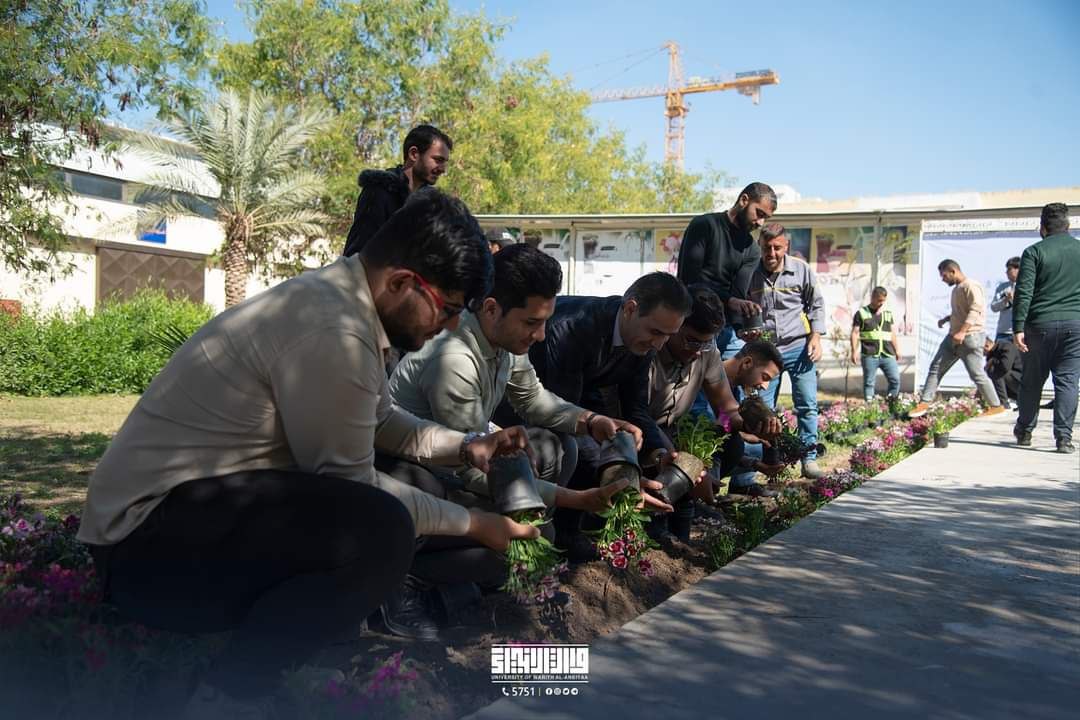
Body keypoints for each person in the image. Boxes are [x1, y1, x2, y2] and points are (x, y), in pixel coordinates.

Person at [77, 189, 541, 716]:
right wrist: (476, 523)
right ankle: (231, 697)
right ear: (401, 283)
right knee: (379, 531)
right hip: (143, 552)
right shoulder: (334, 329)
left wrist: (468, 446)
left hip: (178, 525)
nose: (451, 326)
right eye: (449, 309)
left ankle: (278, 663)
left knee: (401, 511)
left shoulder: (344, 303)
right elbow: (354, 489)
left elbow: (382, 421)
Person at [384, 244, 642, 634]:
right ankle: (405, 580)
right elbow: (471, 470)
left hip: (455, 463)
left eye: (545, 321)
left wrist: (591, 420)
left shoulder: (503, 340)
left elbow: (534, 399)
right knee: (525, 545)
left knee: (561, 453)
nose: (541, 335)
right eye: (532, 323)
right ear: (491, 309)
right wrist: (572, 498)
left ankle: (468, 573)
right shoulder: (454, 360)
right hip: (413, 481)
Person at [521, 272, 693, 560]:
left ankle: (569, 530)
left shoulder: (643, 339)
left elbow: (636, 409)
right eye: (656, 332)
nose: (659, 345)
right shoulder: (573, 328)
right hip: (528, 399)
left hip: (574, 394)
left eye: (668, 335)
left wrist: (660, 454)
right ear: (630, 309)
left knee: (612, 441)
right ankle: (554, 532)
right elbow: (563, 411)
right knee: (574, 449)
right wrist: (619, 472)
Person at [647, 286, 782, 537]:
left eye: (706, 342)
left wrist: (752, 426)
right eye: (692, 340)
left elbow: (726, 412)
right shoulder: (650, 350)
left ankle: (681, 509)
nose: (698, 350)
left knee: (731, 443)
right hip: (647, 436)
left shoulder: (707, 353)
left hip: (673, 438)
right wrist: (691, 468)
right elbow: (706, 423)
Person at [745, 223, 827, 479]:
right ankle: (769, 462)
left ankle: (808, 458)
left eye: (777, 248)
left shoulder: (801, 270)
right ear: (760, 246)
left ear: (786, 246)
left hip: (798, 348)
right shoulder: (750, 273)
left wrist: (816, 337)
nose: (771, 253)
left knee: (807, 405)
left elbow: (816, 305)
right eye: (767, 247)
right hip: (766, 353)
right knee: (762, 409)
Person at [677, 181, 778, 354]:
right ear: (744, 200)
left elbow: (738, 294)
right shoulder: (705, 225)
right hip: (690, 323)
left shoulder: (752, 250)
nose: (761, 223)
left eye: (766, 218)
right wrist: (730, 301)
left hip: (725, 330)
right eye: (759, 213)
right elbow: (689, 280)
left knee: (751, 364)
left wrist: (743, 328)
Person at [1012, 203, 1080, 453]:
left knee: (1031, 381)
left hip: (1039, 325)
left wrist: (1018, 327)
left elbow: (1024, 292)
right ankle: (1063, 438)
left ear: (1042, 228)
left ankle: (1024, 431)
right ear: (1068, 225)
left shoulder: (1033, 252)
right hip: (1075, 325)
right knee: (1068, 382)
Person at [910, 260, 1004, 417]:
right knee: (936, 367)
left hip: (970, 337)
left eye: (944, 275)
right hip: (953, 337)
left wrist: (962, 332)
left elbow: (975, 310)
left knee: (976, 373)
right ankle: (924, 403)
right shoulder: (957, 289)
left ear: (953, 271)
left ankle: (996, 406)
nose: (942, 279)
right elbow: (962, 311)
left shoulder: (971, 286)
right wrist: (948, 319)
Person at [341, 124, 452, 257]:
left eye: (445, 162)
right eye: (438, 160)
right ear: (414, 154)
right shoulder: (379, 192)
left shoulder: (432, 205)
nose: (443, 169)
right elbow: (358, 253)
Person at [723, 340, 789, 496]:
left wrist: (758, 465)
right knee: (736, 444)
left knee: (754, 446)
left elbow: (723, 422)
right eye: (764, 377)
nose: (764, 386)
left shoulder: (736, 390)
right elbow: (707, 427)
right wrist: (742, 432)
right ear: (747, 363)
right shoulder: (709, 378)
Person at [850, 286, 902, 402]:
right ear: (872, 298)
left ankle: (891, 404)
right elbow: (855, 333)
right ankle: (871, 408)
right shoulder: (861, 313)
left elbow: (892, 333)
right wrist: (854, 351)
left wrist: (897, 350)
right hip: (869, 354)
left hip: (887, 354)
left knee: (895, 380)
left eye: (883, 300)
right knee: (869, 383)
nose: (881, 303)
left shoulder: (887, 313)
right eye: (879, 300)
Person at [988, 257, 1022, 409]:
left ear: (1018, 269)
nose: (1007, 272)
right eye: (1007, 270)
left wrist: (1016, 300)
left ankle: (1019, 398)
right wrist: (1005, 300)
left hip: (1019, 334)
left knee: (1017, 369)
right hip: (1003, 333)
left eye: (1010, 269)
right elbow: (994, 307)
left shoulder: (1027, 286)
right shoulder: (1002, 287)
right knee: (996, 366)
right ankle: (1003, 401)